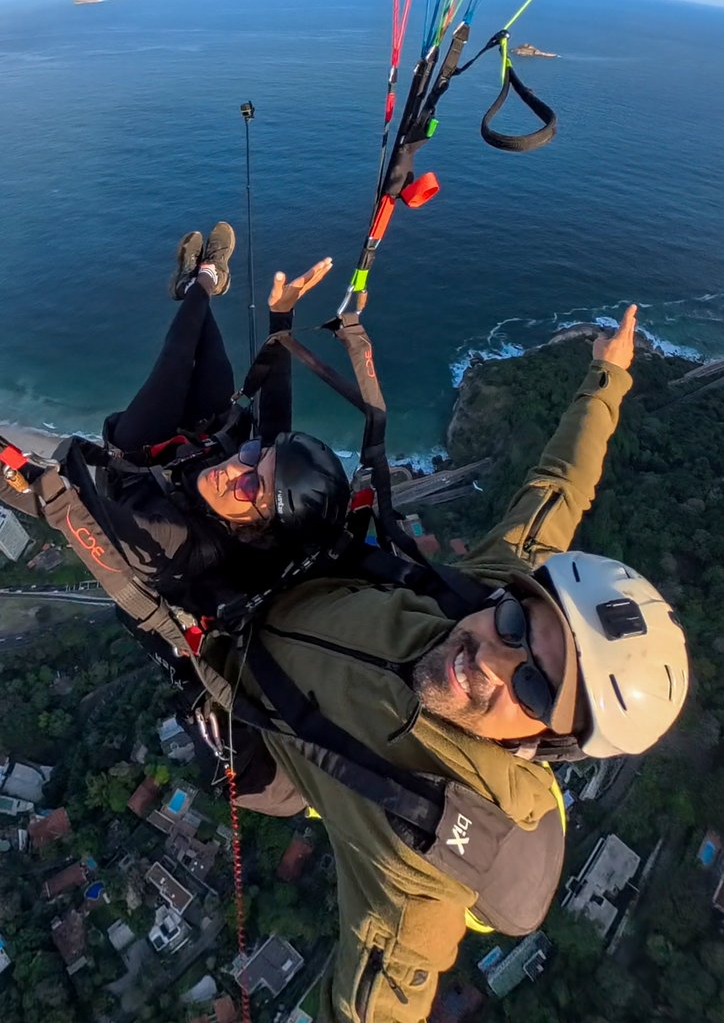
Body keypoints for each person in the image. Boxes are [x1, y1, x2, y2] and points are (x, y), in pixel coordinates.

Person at [198, 304, 689, 1022]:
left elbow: (381, 1003)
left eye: (531, 684)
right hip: (284, 601)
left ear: (543, 742)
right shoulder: (482, 591)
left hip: (271, 736)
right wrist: (607, 378)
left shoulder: (421, 866)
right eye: (520, 621)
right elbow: (557, 490)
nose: (489, 657)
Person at [0, 224, 351, 653]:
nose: (236, 470)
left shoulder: (172, 545)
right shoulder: (249, 482)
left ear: (254, 531)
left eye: (247, 490)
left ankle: (202, 281)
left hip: (144, 466)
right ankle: (202, 284)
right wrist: (283, 317)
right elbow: (274, 418)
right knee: (207, 355)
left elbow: (65, 509)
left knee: (175, 363)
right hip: (200, 441)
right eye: (254, 459)